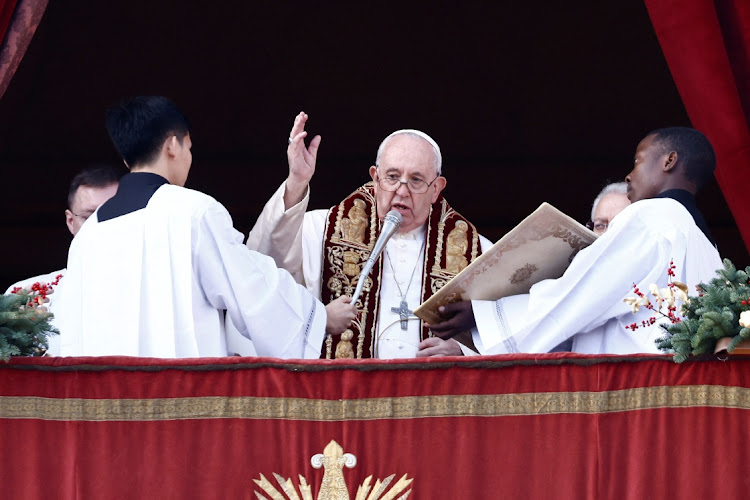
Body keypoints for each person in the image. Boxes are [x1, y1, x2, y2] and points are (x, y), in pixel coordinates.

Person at [56, 97, 356, 358]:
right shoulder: (192, 211)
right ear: (173, 145)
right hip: (178, 401)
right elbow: (249, 288)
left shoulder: (90, 233)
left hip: (104, 409)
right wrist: (318, 318)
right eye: (188, 146)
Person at [429, 127, 722, 355]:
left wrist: (486, 315)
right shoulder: (707, 246)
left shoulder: (651, 216)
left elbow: (584, 292)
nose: (629, 175)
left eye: (638, 161)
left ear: (669, 160)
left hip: (633, 392)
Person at [241, 112, 492, 359]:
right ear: (375, 177)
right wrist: (296, 181)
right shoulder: (321, 229)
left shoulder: (476, 251)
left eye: (416, 180)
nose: (401, 191)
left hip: (430, 396)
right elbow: (262, 264)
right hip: (345, 394)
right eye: (392, 177)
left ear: (435, 188)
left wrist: (464, 351)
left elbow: (510, 325)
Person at [4, 166, 122, 355]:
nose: (99, 226)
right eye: (88, 217)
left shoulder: (154, 293)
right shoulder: (26, 296)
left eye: (112, 215)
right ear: (70, 221)